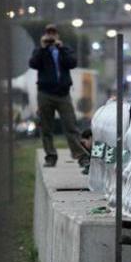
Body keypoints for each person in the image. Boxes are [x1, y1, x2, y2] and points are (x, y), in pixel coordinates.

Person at [29, 24, 90, 168]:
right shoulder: (40, 51)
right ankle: (50, 156)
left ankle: (81, 155)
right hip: (45, 93)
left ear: (57, 35)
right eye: (48, 33)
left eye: (53, 33)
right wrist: (43, 48)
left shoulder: (65, 49)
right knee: (46, 127)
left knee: (71, 125)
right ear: (44, 35)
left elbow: (72, 63)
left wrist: (61, 48)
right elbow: (33, 64)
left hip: (63, 94)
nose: (51, 36)